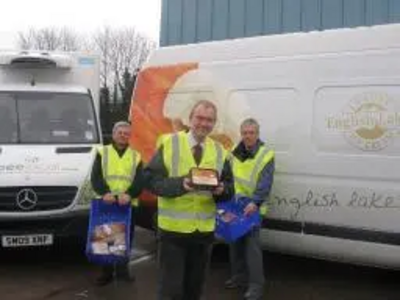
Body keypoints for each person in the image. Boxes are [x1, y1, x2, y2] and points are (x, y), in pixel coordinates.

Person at [145, 100, 234, 300]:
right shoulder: (169, 144)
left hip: (203, 233)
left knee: (194, 289)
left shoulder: (220, 151)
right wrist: (180, 185)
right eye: (199, 118)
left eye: (209, 120)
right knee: (170, 290)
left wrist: (221, 190)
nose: (204, 123)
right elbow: (150, 180)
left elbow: (230, 188)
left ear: (214, 123)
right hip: (173, 232)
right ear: (190, 119)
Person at [225, 118, 275, 300]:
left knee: (251, 248)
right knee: (234, 243)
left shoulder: (266, 154)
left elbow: (265, 183)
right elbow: (228, 178)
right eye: (245, 133)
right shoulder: (233, 152)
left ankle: (256, 286)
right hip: (234, 204)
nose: (248, 136)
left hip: (253, 206)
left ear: (257, 134)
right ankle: (238, 277)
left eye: (251, 133)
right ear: (241, 133)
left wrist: (255, 202)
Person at [90, 121, 145, 286]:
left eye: (126, 133)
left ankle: (122, 272)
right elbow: (96, 177)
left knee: (125, 237)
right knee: (106, 237)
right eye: (120, 132)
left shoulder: (136, 156)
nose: (123, 135)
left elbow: (140, 180)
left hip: (127, 204)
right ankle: (106, 273)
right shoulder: (102, 152)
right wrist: (104, 192)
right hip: (107, 202)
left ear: (129, 136)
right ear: (113, 134)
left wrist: (129, 194)